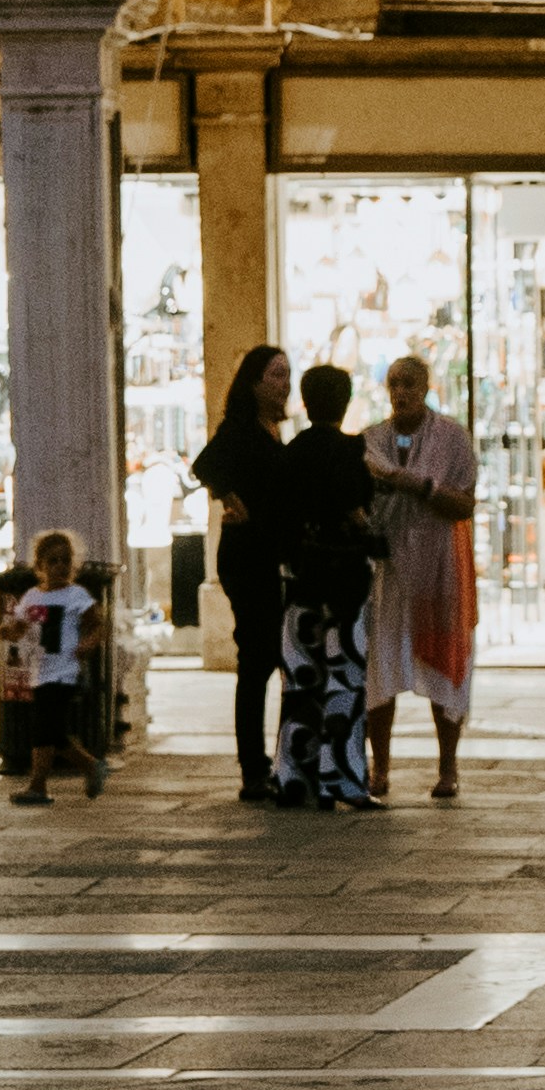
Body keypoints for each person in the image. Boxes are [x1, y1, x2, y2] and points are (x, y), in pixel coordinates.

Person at [360, 345, 479, 799]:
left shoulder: (452, 439)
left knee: (447, 670)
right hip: (388, 570)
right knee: (381, 666)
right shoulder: (372, 440)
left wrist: (420, 485)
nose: (400, 393)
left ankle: (448, 768)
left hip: (440, 567)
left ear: (427, 389)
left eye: (409, 384)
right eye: (393, 384)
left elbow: (464, 502)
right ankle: (380, 768)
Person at [269, 357, 380, 804]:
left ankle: (294, 778)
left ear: (305, 401)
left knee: (300, 680)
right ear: (345, 402)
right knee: (345, 680)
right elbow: (356, 510)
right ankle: (345, 780)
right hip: (346, 579)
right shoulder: (351, 452)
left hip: (301, 576)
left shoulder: (289, 453)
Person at [187, 335, 293, 802]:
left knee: (270, 656)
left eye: (287, 375)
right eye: (276, 375)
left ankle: (273, 759)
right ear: (254, 383)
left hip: (270, 554)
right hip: (247, 557)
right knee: (256, 660)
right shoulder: (241, 429)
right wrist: (231, 499)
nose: (284, 384)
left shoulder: (273, 429)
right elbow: (205, 466)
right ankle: (253, 766)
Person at [0, 524, 104, 806]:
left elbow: (97, 624)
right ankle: (86, 767)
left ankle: (41, 784)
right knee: (50, 731)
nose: (59, 567)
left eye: (65, 560)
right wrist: (8, 631)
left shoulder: (76, 595)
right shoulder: (33, 596)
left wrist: (88, 643)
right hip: (39, 671)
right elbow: (19, 626)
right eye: (52, 561)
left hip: (64, 672)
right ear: (39, 565)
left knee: (46, 729)